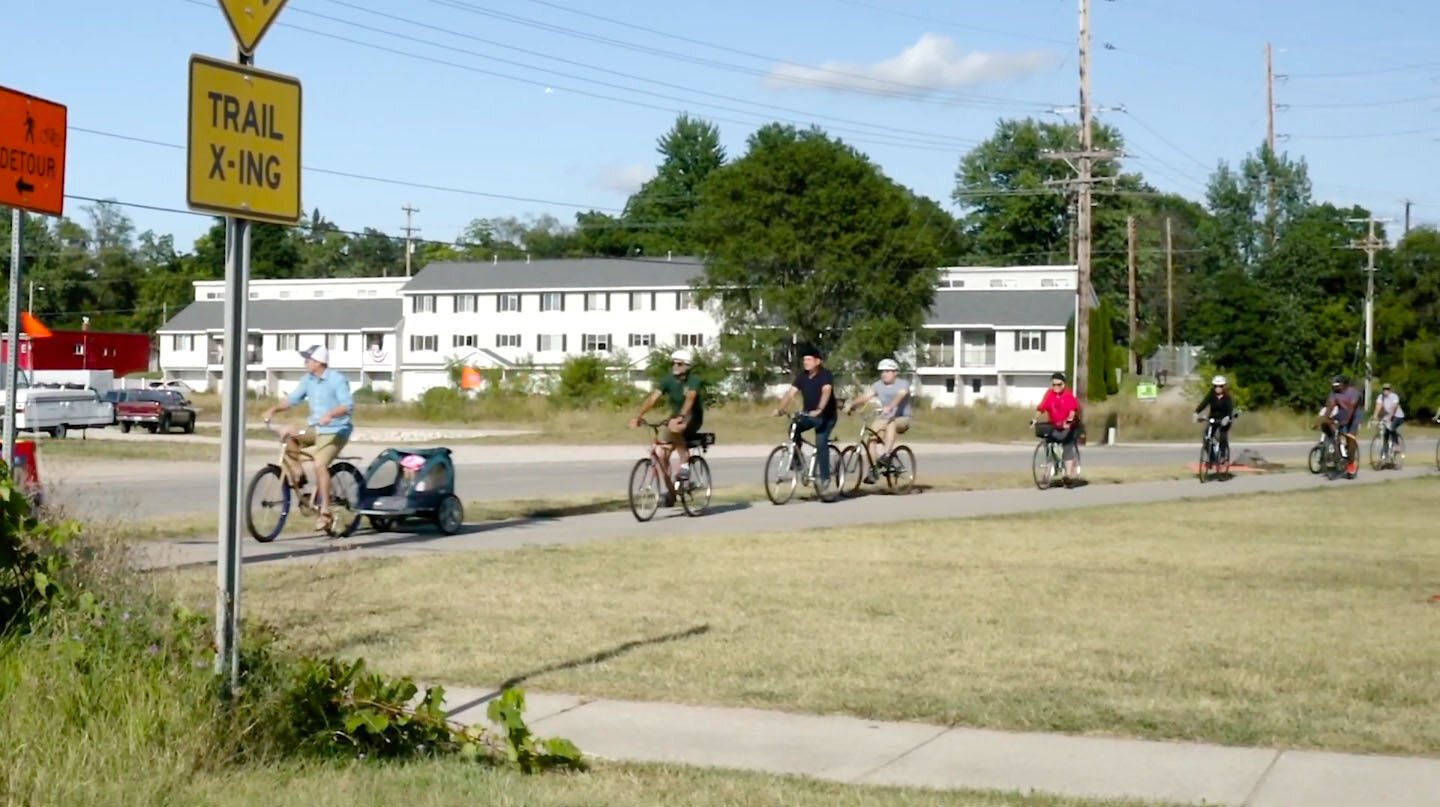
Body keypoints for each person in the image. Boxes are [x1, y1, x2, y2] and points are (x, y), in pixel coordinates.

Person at [262, 345, 355, 532]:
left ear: (319, 362)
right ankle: (298, 473)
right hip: (315, 428)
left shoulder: (336, 380)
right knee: (288, 434)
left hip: (336, 430)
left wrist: (331, 414)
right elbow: (292, 399)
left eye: (308, 359)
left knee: (320, 464)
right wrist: (273, 409)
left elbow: (347, 405)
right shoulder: (308, 380)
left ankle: (325, 511)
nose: (305, 362)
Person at [629, 348, 705, 498]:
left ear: (687, 366)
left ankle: (684, 466)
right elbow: (653, 398)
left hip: (692, 417)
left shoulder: (694, 381)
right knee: (661, 454)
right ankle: (672, 493)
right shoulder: (667, 380)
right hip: (675, 417)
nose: (675, 366)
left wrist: (681, 417)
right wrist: (638, 416)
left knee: (676, 429)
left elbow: (690, 399)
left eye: (679, 363)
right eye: (674, 363)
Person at [773, 344, 838, 498]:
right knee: (793, 427)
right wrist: (780, 409)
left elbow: (826, 391)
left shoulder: (825, 375)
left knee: (821, 442)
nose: (806, 362)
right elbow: (790, 393)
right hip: (809, 415)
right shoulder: (802, 376)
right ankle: (798, 462)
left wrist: (820, 409)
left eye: (809, 359)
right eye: (804, 360)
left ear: (817, 361)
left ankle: (825, 479)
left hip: (826, 416)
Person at [843, 358, 912, 484]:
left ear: (895, 372)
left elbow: (900, 395)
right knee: (871, 438)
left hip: (902, 418)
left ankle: (886, 455)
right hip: (884, 417)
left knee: (891, 421)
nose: (884, 374)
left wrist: (891, 406)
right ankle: (873, 469)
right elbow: (865, 396)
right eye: (882, 371)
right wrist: (851, 405)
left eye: (887, 371)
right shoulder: (878, 385)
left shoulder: (902, 384)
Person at [1032, 371, 1081, 486]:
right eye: (1054, 385)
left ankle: (1067, 476)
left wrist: (1068, 423)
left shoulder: (1068, 396)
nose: (1056, 387)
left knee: (1067, 446)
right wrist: (1034, 420)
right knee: (1048, 445)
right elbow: (1041, 408)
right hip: (1054, 425)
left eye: (1059, 385)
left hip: (1069, 425)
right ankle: (1047, 474)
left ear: (1064, 384)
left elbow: (1072, 412)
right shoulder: (1049, 394)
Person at [1322, 375, 1361, 479]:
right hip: (1342, 413)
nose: (1335, 388)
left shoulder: (1353, 393)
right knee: (1326, 424)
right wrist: (1325, 419)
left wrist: (1346, 421)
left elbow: (1352, 408)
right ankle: (1332, 444)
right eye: (1333, 386)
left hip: (1354, 416)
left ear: (1344, 385)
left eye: (1337, 386)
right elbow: (1330, 406)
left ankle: (1351, 464)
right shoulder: (1334, 393)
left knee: (1350, 438)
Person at [1193, 375, 1236, 458]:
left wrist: (1227, 417)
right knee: (1207, 437)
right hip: (1213, 418)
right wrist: (1196, 412)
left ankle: (1223, 455)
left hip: (1224, 419)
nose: (1218, 388)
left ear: (1223, 387)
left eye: (1220, 386)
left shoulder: (1227, 397)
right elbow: (1204, 403)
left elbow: (1230, 409)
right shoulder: (1211, 394)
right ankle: (1212, 457)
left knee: (1223, 435)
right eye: (1216, 386)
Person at [1372, 381, 1405, 456]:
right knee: (1385, 434)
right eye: (1384, 389)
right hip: (1388, 416)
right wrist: (1375, 417)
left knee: (1391, 428)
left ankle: (1397, 445)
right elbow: (1378, 407)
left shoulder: (1394, 396)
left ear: (1390, 390)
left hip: (1398, 416)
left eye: (1387, 389)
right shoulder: (1381, 397)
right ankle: (1385, 452)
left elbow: (1394, 408)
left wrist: (1389, 418)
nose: (1385, 391)